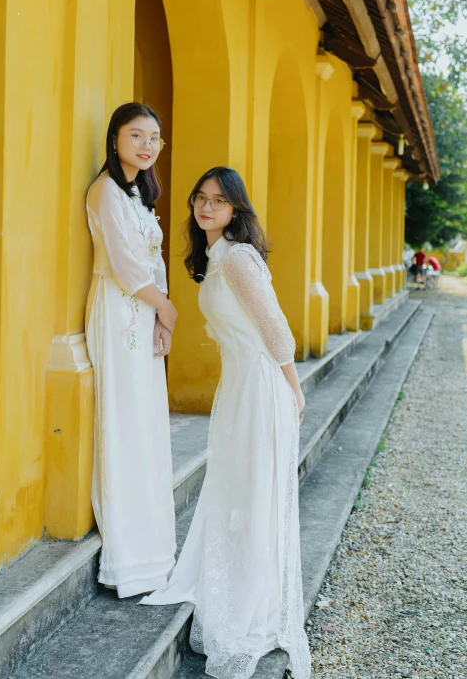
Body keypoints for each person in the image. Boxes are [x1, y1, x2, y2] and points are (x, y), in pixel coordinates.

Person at [141, 167, 311, 679]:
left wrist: (294, 388)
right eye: (200, 198)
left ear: (236, 209)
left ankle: (252, 599)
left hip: (261, 386)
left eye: (218, 200)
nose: (206, 207)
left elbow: (275, 329)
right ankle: (233, 578)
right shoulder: (214, 259)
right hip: (237, 388)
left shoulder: (237, 258)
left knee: (253, 492)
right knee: (236, 490)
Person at [85, 102, 177, 598]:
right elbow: (122, 265)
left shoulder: (139, 195)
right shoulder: (104, 192)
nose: (146, 145)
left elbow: (153, 259)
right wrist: (165, 307)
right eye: (136, 135)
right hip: (118, 312)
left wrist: (162, 318)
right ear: (115, 138)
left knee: (147, 423)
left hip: (144, 311)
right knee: (122, 421)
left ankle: (154, 550)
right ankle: (128, 557)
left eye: (154, 138)